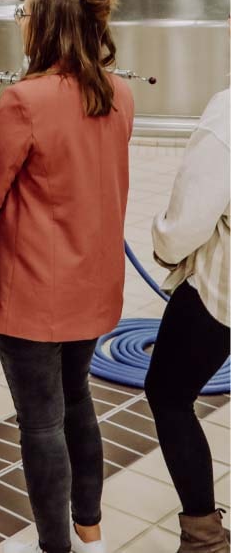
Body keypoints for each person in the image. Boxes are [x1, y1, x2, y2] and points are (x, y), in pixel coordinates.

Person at [0, 0, 134, 553]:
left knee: (41, 422)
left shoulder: (24, 100)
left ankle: (54, 546)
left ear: (44, 25)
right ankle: (90, 533)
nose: (20, 23)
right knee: (78, 401)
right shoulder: (117, 93)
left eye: (24, 13)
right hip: (93, 280)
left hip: (33, 289)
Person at [145, 86, 230, 553]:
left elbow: (189, 219)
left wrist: (165, 246)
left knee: (169, 395)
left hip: (223, 287)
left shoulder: (227, 116)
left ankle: (204, 538)